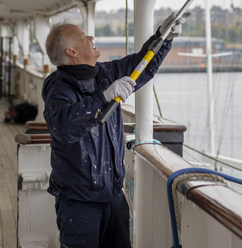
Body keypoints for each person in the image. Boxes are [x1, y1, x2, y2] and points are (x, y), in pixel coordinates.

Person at [42, 12, 190, 247]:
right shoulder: (59, 88)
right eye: (82, 37)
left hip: (113, 198)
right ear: (72, 52)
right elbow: (64, 127)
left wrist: (163, 37)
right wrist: (103, 98)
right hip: (78, 204)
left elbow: (142, 64)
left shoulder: (104, 73)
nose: (90, 37)